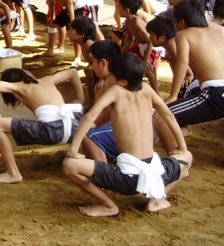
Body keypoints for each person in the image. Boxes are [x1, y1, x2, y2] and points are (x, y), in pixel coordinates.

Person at [64, 53, 192, 217]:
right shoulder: (146, 89)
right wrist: (181, 146)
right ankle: (158, 198)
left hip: (127, 179)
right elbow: (168, 115)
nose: (107, 77)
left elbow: (90, 116)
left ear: (123, 81)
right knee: (187, 157)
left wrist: (73, 149)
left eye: (110, 75)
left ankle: (108, 205)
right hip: (157, 173)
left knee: (69, 165)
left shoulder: (116, 91)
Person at [0, 68, 84, 184]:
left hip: (52, 131)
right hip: (76, 129)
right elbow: (73, 72)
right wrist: (80, 99)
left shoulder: (20, 86)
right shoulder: (48, 80)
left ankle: (13, 173)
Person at [153, 0, 224, 149]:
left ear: (182, 22)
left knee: (162, 117)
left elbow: (182, 63)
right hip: (213, 88)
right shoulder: (219, 28)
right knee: (192, 88)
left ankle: (178, 161)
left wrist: (173, 96)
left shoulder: (184, 34)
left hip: (216, 94)